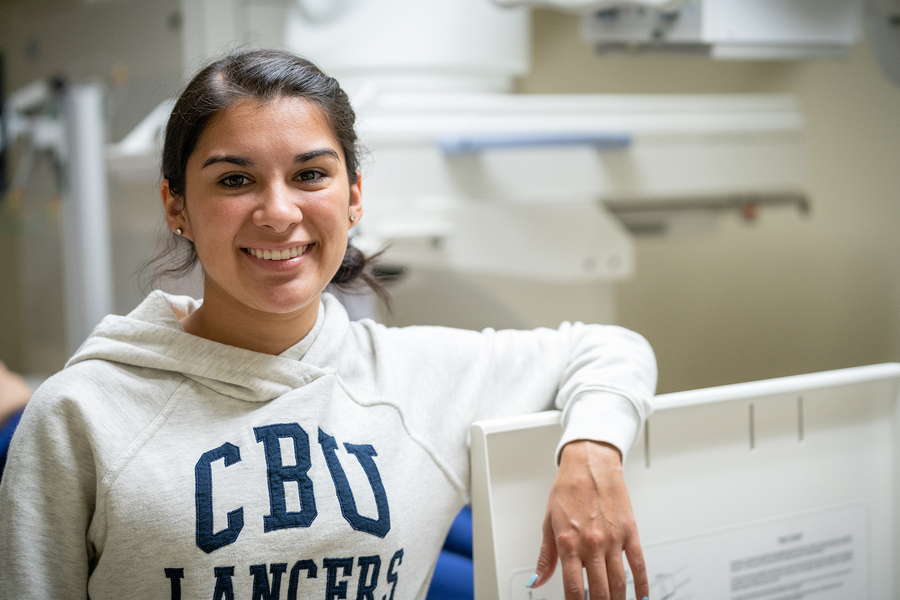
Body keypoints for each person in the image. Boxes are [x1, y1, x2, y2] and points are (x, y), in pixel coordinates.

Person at [0, 49, 656, 600]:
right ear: (175, 206)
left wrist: (591, 453)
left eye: (310, 174)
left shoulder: (418, 377)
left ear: (354, 196)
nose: (279, 212)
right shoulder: (79, 416)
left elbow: (608, 348)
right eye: (235, 180)